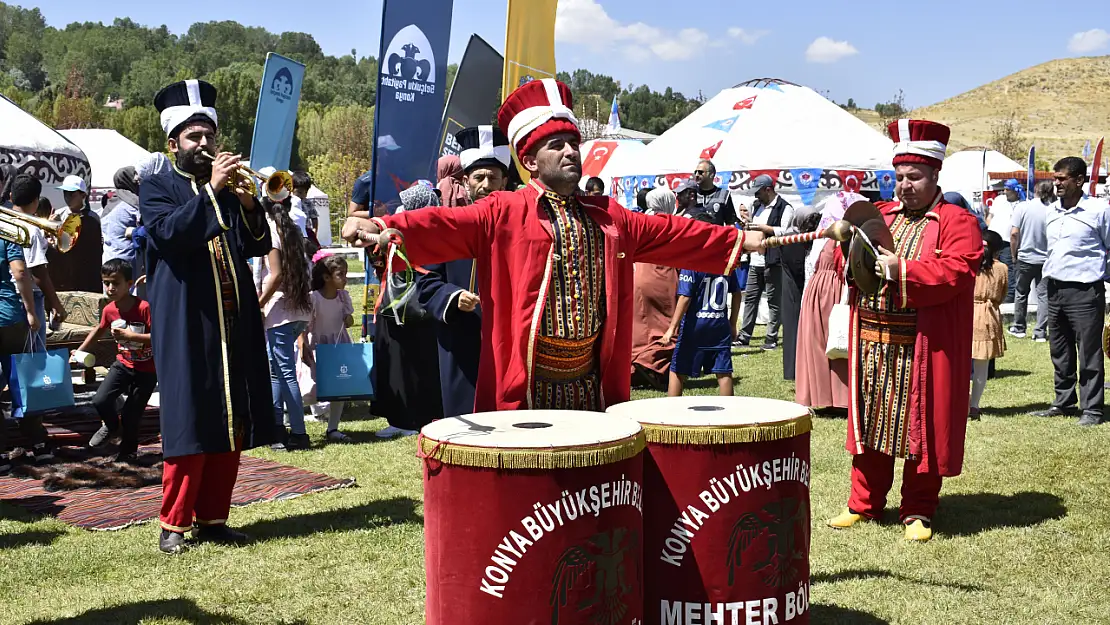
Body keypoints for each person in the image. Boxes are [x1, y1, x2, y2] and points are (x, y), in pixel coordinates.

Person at [340, 79, 762, 412]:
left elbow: (673, 233)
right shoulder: (502, 212)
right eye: (555, 145)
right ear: (528, 160)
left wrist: (740, 238)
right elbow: (443, 224)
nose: (569, 152)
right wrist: (382, 226)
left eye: (573, 143)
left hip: (592, 385)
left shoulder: (609, 217)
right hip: (528, 385)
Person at [826, 119, 982, 542]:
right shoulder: (882, 216)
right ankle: (863, 503)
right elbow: (853, 265)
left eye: (914, 177)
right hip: (873, 341)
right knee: (871, 423)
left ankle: (917, 510)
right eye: (898, 178)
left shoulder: (956, 221)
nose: (904, 186)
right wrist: (847, 251)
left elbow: (958, 269)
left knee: (921, 427)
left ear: (935, 175)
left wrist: (904, 269)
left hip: (922, 345)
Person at [140, 79, 275, 554]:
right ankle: (173, 525)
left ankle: (214, 518)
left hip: (232, 323)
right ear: (172, 143)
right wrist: (216, 192)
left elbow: (258, 245)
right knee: (189, 420)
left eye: (209, 137)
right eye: (193, 138)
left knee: (230, 419)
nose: (204, 145)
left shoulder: (230, 188)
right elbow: (171, 234)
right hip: (186, 323)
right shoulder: (156, 186)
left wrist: (250, 202)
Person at [415, 126, 509, 418]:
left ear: (505, 181)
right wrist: (452, 296)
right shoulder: (448, 228)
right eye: (479, 177)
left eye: (493, 177)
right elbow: (426, 283)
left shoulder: (525, 228)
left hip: (511, 343)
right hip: (462, 340)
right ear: (466, 182)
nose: (486, 185)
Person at [1033, 157, 1110, 427]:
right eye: (1055, 178)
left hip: (1086, 291)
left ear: (1079, 180)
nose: (1057, 183)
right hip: (1054, 289)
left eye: (1062, 178)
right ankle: (1063, 402)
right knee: (1060, 349)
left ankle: (1092, 409)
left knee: (1089, 352)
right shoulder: (1051, 211)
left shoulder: (1099, 210)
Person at [374, 184, 444, 434]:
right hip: (403, 311)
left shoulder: (432, 236)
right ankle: (403, 419)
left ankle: (411, 420)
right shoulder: (406, 234)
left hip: (413, 311)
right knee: (401, 365)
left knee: (413, 367)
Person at [79, 259, 157, 460]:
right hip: (123, 364)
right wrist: (80, 350)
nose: (110, 288)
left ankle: (128, 454)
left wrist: (132, 337)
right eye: (106, 283)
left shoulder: (144, 308)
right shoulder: (109, 309)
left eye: (116, 283)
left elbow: (159, 337)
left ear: (129, 284)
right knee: (100, 400)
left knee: (132, 415)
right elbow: (99, 329)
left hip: (147, 370)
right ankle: (112, 425)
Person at [663, 213, 743, 397]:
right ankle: (729, 416)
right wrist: (732, 323)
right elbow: (737, 293)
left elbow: (685, 297)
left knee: (677, 370)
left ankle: (670, 413)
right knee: (723, 372)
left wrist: (671, 328)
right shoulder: (726, 259)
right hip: (719, 325)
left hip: (694, 326)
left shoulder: (692, 260)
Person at [256, 195, 313, 451]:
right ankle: (277, 427)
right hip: (297, 310)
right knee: (276, 371)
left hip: (280, 311)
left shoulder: (271, 232)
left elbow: (275, 275)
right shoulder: (292, 229)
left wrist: (258, 303)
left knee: (285, 372)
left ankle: (298, 433)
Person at [795, 191, 861, 411]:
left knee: (829, 342)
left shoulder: (832, 237)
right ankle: (833, 397)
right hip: (831, 290)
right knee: (826, 342)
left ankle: (827, 397)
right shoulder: (833, 237)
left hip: (828, 290)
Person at [0, 228, 49, 474]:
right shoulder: (8, 231)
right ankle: (39, 445)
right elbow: (20, 272)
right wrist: (31, 311)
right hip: (9, 316)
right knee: (22, 380)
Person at [300, 252, 354, 443]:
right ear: (326, 277)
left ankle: (333, 427)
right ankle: (292, 418)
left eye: (346, 274)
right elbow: (305, 324)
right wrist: (304, 345)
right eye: (341, 275)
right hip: (319, 346)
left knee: (339, 387)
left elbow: (348, 321)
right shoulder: (314, 298)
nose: (345, 279)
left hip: (339, 345)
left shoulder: (342, 297)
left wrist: (348, 318)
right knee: (313, 386)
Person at [736, 174, 795, 349]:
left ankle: (771, 338)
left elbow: (785, 232)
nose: (756, 196)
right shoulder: (756, 206)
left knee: (774, 301)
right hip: (755, 260)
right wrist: (748, 225)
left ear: (768, 189)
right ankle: (744, 336)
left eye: (758, 192)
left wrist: (762, 227)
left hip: (774, 260)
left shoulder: (785, 207)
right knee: (751, 299)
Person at [631, 187, 680, 390]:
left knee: (641, 329)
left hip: (639, 276)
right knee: (669, 325)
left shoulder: (641, 222)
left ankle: (636, 371)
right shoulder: (671, 224)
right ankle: (650, 365)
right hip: (663, 277)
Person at [9, 175, 65, 346]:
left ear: (11, 196)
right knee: (33, 353)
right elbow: (38, 272)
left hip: (8, 294)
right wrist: (56, 303)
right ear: (36, 201)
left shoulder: (5, 223)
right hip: (29, 297)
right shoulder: (30, 230)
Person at [970, 231, 1008, 420]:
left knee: (960, 365)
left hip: (966, 313)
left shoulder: (969, 264)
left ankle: (959, 402)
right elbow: (1001, 295)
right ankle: (974, 405)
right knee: (981, 367)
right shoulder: (1001, 269)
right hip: (987, 315)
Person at [1009, 181, 1052, 342]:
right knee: (1044, 296)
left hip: (1025, 258)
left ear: (1035, 190)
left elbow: (1014, 234)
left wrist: (1014, 255)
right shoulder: (1052, 210)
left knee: (1021, 294)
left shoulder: (1022, 207)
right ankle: (1040, 331)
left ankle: (1019, 327)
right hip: (1045, 260)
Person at [781, 209, 820, 380]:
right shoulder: (795, 240)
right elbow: (798, 268)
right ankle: (795, 371)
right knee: (794, 330)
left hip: (793, 289)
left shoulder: (789, 237)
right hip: (795, 290)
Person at [47, 175, 103, 293]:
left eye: (72, 193)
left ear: (83, 195)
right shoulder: (59, 215)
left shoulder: (93, 218)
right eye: (65, 193)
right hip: (64, 271)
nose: (68, 197)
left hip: (87, 272)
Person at [987, 179, 1023, 303]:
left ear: (1015, 190)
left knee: (1008, 270)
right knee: (990, 267)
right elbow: (990, 216)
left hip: (1007, 241)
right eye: (1005, 189)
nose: (1005, 192)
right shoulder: (999, 200)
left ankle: (1009, 296)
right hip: (993, 239)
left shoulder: (1021, 204)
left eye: (1008, 190)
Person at [692, 159, 738, 225]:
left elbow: (730, 222)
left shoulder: (724, 194)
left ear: (711, 174)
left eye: (700, 172)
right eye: (695, 172)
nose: (696, 175)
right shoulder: (691, 194)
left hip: (716, 234)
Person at [291, 171, 320, 255]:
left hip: (307, 232)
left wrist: (314, 230)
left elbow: (314, 217)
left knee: (312, 254)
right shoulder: (288, 202)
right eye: (299, 192)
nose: (303, 195)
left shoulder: (308, 203)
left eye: (305, 192)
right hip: (293, 232)